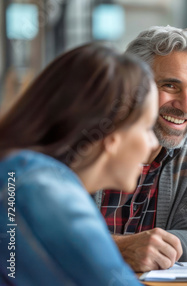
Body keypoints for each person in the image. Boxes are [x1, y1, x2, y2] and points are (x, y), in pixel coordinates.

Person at [0, 43, 158, 285]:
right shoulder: (41, 190)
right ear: (113, 135)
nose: (153, 143)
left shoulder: (23, 173)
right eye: (147, 128)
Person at [93, 26, 187, 271]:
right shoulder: (88, 133)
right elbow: (35, 235)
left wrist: (155, 247)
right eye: (170, 86)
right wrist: (119, 247)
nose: (185, 106)